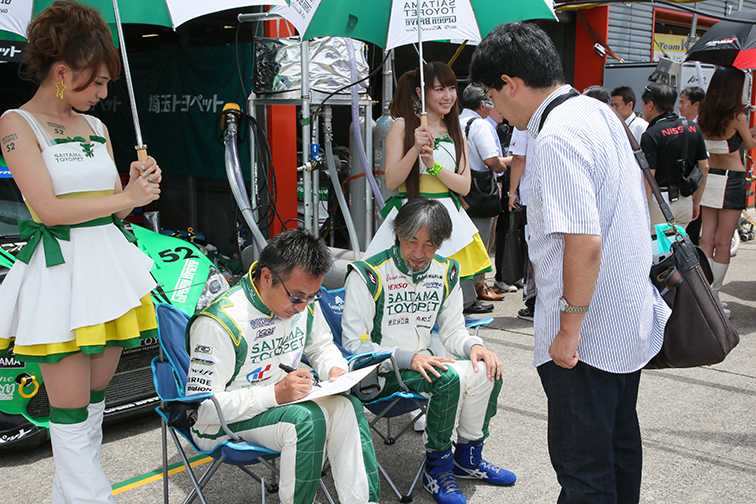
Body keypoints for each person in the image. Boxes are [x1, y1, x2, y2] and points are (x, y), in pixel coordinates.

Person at [470, 22, 671, 504]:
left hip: (587, 336)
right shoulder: (596, 111)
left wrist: (568, 329)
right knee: (619, 448)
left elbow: (584, 243)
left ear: (510, 84)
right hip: (624, 317)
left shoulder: (556, 137)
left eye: (492, 97)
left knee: (583, 470)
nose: (495, 109)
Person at [0, 2, 161, 502]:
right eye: (97, 82)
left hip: (106, 272)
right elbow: (48, 209)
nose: (103, 93)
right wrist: (124, 197)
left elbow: (115, 210)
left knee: (91, 409)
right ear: (62, 72)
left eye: (108, 83)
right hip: (59, 276)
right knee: (69, 415)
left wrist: (135, 188)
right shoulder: (16, 123)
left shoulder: (97, 129)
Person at [186, 230, 380, 504]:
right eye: (297, 298)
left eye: (312, 297)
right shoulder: (220, 321)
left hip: (283, 405)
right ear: (266, 278)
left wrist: (333, 369)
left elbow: (321, 346)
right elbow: (201, 408)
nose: (302, 307)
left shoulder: (305, 302)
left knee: (349, 407)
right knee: (306, 421)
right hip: (221, 424)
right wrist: (274, 394)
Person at [342, 198, 515, 504]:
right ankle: (437, 468)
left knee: (488, 369)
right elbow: (356, 346)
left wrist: (475, 346)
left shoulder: (446, 271)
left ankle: (468, 458)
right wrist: (408, 358)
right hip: (379, 373)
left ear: (441, 243)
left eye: (430, 245)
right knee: (447, 378)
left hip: (425, 362)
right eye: (412, 241)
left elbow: (452, 331)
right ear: (398, 233)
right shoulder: (368, 273)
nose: (419, 253)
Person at [362, 63, 493, 315]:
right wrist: (414, 148)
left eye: (452, 88)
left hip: (447, 219)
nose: (448, 96)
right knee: (401, 293)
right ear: (421, 93)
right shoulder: (402, 126)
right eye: (439, 89)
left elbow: (464, 185)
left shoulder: (457, 131)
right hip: (410, 214)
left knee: (444, 298)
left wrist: (433, 167)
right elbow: (391, 181)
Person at [697, 66, 756, 315]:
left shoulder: (704, 113)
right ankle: (714, 294)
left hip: (710, 177)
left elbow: (723, 142)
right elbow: (749, 144)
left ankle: (703, 293)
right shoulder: (737, 116)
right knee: (723, 241)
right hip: (732, 180)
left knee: (706, 238)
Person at [459, 83, 508, 303]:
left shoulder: (454, 122)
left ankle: (465, 293)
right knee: (480, 244)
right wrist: (507, 163)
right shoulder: (480, 125)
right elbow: (491, 161)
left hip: (457, 189)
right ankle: (473, 293)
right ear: (482, 104)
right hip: (480, 193)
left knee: (461, 244)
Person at [640, 83, 709, 230]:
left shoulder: (651, 134)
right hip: (685, 200)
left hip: (659, 202)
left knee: (656, 243)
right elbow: (704, 167)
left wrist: (641, 208)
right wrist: (696, 201)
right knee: (678, 243)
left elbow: (648, 178)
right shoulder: (693, 127)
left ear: (650, 105)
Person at [507, 127, 536, 321]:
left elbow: (518, 158)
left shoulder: (523, 122)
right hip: (561, 194)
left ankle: (534, 304)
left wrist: (512, 192)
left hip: (531, 195)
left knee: (533, 252)